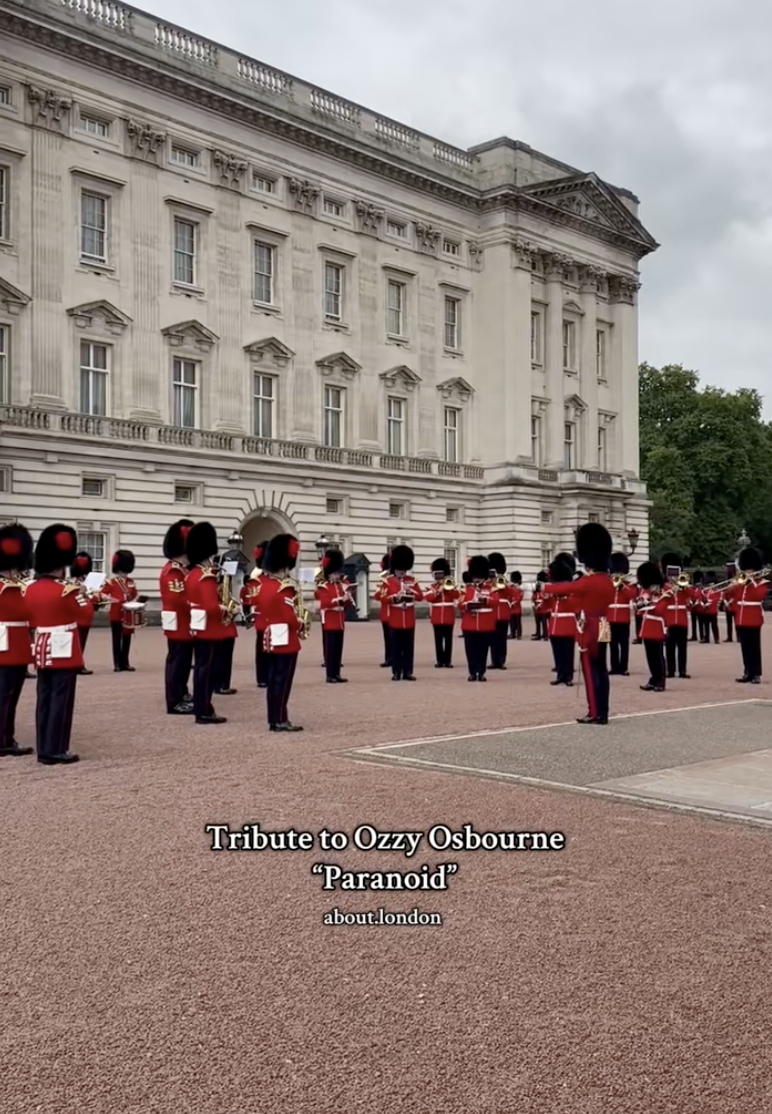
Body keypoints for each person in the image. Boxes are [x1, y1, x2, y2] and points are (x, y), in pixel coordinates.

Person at [25, 524, 89, 764]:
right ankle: (56, 749)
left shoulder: (30, 589)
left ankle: (45, 747)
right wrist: (84, 592)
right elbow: (86, 616)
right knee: (61, 699)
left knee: (44, 697)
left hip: (42, 646)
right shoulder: (67, 590)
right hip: (63, 647)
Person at [542, 523, 615, 725]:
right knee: (602, 668)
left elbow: (566, 588)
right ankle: (603, 711)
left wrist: (542, 587)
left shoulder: (589, 581)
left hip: (590, 627)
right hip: (604, 625)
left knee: (591, 671)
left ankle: (594, 712)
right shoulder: (607, 580)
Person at [185, 522, 231, 724]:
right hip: (210, 628)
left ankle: (202, 707)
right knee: (207, 670)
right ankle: (203, 710)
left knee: (201, 668)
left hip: (198, 625)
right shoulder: (206, 576)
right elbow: (212, 606)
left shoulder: (193, 574)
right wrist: (228, 609)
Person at [259, 533, 304, 730]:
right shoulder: (282, 588)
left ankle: (274, 718)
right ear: (284, 566)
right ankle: (279, 719)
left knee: (274, 679)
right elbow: (288, 617)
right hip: (285, 640)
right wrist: (300, 622)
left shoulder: (264, 585)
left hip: (270, 638)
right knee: (282, 681)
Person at [0, 523, 34, 756]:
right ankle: (4, 740)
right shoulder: (9, 588)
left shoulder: (16, 585)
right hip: (6, 646)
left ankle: (7, 736)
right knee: (5, 695)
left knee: (10, 696)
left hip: (18, 647)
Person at [159, 518, 195, 715]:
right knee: (177, 662)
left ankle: (182, 692)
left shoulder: (182, 569)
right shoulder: (173, 570)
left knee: (184, 661)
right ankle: (174, 701)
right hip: (179, 622)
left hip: (185, 622)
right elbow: (179, 598)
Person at [727, 546, 769, 684]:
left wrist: (751, 581)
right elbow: (733, 596)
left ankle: (756, 673)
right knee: (745, 647)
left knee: (754, 647)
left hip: (754, 617)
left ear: (755, 568)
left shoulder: (761, 582)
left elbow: (758, 595)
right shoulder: (741, 583)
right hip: (741, 617)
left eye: (749, 569)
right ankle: (747, 672)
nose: (747, 571)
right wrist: (732, 587)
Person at [383, 546, 423, 681]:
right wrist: (395, 596)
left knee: (408, 648)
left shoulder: (412, 581)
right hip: (395, 618)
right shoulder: (388, 582)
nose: (402, 572)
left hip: (409, 619)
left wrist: (411, 592)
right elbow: (381, 597)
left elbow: (420, 596)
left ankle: (408, 672)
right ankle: (396, 672)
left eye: (404, 570)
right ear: (395, 569)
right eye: (400, 570)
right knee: (395, 648)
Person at [102, 549, 144, 672]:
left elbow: (135, 595)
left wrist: (138, 601)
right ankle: (117, 664)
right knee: (116, 640)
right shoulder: (111, 582)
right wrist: (112, 599)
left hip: (128, 615)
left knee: (127, 639)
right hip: (116, 614)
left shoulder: (131, 582)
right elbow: (103, 594)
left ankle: (125, 662)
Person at [314, 548, 349, 683]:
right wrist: (340, 600)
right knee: (331, 650)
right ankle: (330, 675)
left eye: (338, 573)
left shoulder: (340, 586)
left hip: (340, 621)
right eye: (335, 573)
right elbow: (326, 603)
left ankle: (337, 673)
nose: (337, 576)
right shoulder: (324, 587)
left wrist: (348, 599)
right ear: (329, 574)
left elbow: (345, 604)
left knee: (338, 649)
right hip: (330, 621)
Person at [459, 555, 495, 680]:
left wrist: (484, 599)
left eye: (480, 577)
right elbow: (460, 604)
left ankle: (481, 672)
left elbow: (495, 602)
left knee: (483, 651)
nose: (477, 580)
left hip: (485, 624)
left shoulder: (491, 589)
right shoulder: (466, 589)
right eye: (476, 577)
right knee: (471, 651)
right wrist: (467, 605)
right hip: (470, 624)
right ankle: (473, 672)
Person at [636, 562, 670, 692]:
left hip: (657, 625)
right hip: (647, 625)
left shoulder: (665, 590)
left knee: (658, 655)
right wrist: (641, 604)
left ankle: (660, 681)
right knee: (650, 655)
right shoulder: (646, 590)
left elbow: (660, 610)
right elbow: (639, 610)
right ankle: (653, 678)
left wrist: (652, 602)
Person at [660, 552, 693, 680]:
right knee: (669, 647)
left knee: (682, 647)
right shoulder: (664, 586)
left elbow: (695, 595)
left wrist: (683, 587)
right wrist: (671, 588)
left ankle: (682, 670)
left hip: (682, 620)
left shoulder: (683, 586)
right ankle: (671, 670)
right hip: (669, 620)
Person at [241, 542, 270, 689]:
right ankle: (262, 677)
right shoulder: (256, 580)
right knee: (262, 650)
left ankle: (271, 675)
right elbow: (252, 599)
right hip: (262, 619)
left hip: (276, 621)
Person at [547, 558, 578, 686]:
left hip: (567, 623)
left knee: (568, 652)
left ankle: (568, 676)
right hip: (555, 623)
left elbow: (576, 604)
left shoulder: (572, 588)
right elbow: (547, 604)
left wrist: (565, 598)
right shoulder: (553, 588)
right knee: (557, 652)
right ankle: (560, 674)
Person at [424, 558, 459, 668]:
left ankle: (447, 661)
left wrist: (450, 589)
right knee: (438, 640)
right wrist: (438, 591)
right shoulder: (432, 587)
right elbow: (428, 598)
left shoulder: (450, 585)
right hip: (437, 616)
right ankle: (440, 660)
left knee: (448, 640)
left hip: (448, 616)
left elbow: (457, 595)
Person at [69, 551, 99, 676]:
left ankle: (79, 664)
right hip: (77, 615)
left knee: (82, 642)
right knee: (76, 642)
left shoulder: (88, 580)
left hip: (86, 615)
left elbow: (92, 597)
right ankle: (75, 665)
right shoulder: (72, 582)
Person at [607, 552, 635, 676]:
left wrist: (622, 586)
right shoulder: (608, 585)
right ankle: (614, 667)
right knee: (612, 644)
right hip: (610, 617)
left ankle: (623, 667)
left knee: (623, 644)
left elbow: (631, 596)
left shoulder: (629, 585)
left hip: (623, 618)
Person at [488, 553, 510, 669]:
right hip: (492, 613)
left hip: (503, 613)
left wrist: (503, 585)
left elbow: (512, 594)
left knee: (502, 639)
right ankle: (494, 660)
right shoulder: (488, 583)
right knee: (492, 639)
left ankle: (501, 661)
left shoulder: (503, 582)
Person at [374, 553, 392, 667]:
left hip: (395, 615)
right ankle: (388, 658)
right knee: (387, 639)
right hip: (386, 614)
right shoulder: (384, 582)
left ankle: (395, 658)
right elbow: (376, 596)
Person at [703, 572, 721, 644]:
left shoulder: (716, 591)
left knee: (714, 625)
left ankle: (716, 639)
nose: (711, 585)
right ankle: (706, 638)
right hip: (707, 610)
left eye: (712, 584)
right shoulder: (706, 590)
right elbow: (703, 597)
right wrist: (704, 603)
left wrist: (709, 602)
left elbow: (717, 599)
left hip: (713, 610)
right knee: (706, 625)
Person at [689, 570, 704, 642]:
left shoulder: (701, 588)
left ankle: (702, 636)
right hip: (693, 608)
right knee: (693, 623)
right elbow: (690, 596)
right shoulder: (692, 588)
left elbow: (701, 597)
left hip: (699, 608)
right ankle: (694, 635)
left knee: (701, 623)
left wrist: (696, 603)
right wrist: (691, 603)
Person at [508, 572, 523, 639]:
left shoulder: (520, 588)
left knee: (518, 622)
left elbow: (520, 597)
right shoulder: (510, 587)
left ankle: (519, 634)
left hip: (517, 607)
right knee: (512, 622)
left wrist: (514, 602)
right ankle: (512, 633)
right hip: (511, 608)